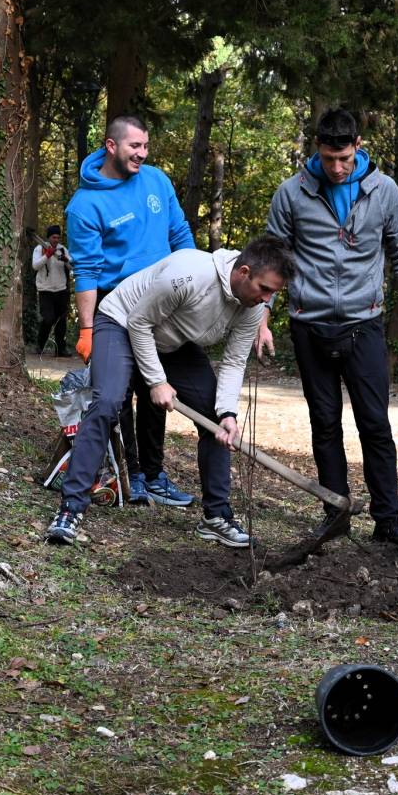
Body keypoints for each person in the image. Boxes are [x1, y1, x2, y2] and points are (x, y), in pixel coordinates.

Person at [45, 236, 295, 547]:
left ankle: (216, 517)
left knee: (215, 418)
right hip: (122, 323)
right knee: (107, 403)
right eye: (265, 289)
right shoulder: (188, 273)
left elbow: (233, 364)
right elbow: (138, 322)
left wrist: (228, 413)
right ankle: (70, 509)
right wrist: (156, 381)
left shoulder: (253, 308)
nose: (267, 299)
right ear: (243, 272)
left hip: (171, 342)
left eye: (274, 293)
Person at [257, 108, 398, 545]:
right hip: (308, 325)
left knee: (375, 423)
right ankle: (335, 514)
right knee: (325, 423)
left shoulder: (383, 191)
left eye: (344, 159)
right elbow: (274, 256)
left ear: (358, 148)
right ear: (318, 149)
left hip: (363, 324)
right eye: (329, 159)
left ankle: (388, 519)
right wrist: (262, 316)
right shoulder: (292, 193)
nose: (336, 168)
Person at [65, 114, 196, 507]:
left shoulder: (157, 180)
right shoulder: (84, 205)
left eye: (145, 146)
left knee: (157, 388)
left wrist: (191, 277)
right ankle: (131, 472)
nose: (142, 154)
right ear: (111, 146)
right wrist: (87, 328)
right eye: (134, 146)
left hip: (163, 304)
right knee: (117, 394)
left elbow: (180, 234)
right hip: (115, 307)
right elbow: (86, 271)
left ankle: (155, 474)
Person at [32, 225, 73, 356]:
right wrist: (47, 255)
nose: (56, 239)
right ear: (49, 237)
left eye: (58, 237)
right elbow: (35, 266)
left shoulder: (62, 249)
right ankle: (40, 345)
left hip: (61, 289)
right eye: (53, 237)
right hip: (45, 290)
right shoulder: (40, 248)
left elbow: (72, 267)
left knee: (61, 321)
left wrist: (66, 260)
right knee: (48, 319)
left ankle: (61, 349)